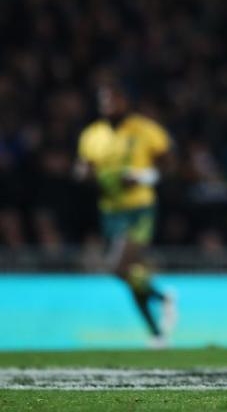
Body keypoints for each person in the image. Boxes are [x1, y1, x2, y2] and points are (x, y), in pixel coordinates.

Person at [75, 81, 177, 348]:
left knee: (117, 266)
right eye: (105, 101)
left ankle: (161, 298)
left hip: (139, 208)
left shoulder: (145, 129)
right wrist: (83, 174)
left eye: (114, 100)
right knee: (132, 274)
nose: (109, 105)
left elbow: (170, 165)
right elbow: (82, 169)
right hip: (110, 211)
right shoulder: (92, 135)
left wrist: (144, 176)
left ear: (125, 101)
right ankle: (157, 329)